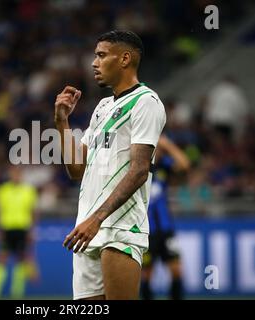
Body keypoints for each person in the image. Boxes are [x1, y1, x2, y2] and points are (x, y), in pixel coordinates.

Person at [54, 30, 166, 300]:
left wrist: (97, 219)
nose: (94, 63)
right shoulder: (103, 107)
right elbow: (76, 169)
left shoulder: (146, 102)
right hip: (87, 229)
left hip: (121, 228)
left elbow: (139, 171)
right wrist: (62, 122)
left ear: (125, 59)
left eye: (101, 55)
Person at [141, 135, 190, 300]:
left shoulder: (163, 166)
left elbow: (184, 164)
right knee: (146, 275)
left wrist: (168, 144)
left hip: (166, 228)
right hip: (147, 231)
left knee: (177, 270)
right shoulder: (140, 166)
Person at [0, 165, 39, 299]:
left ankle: (17, 293)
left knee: (21, 259)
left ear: (21, 175)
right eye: (13, 173)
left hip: (22, 229)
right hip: (6, 228)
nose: (15, 176)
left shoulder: (29, 190)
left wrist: (32, 230)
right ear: (10, 174)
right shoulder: (2, 190)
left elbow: (33, 212)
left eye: (18, 173)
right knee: (1, 258)